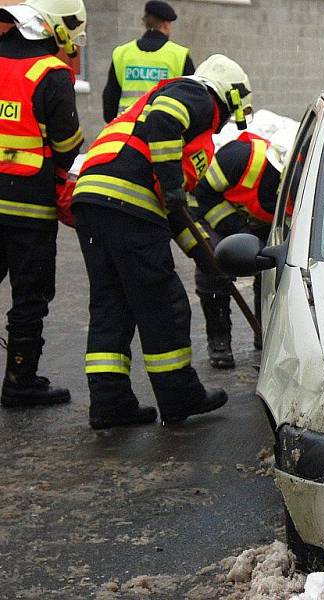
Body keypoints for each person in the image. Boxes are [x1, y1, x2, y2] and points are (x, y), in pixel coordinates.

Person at [71, 54, 253, 429]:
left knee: (112, 304)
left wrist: (207, 257)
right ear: (228, 96)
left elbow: (176, 212)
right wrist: (171, 184)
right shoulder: (197, 94)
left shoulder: (176, 131)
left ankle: (110, 404)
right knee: (163, 303)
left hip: (93, 201)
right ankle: (179, 396)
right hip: (128, 204)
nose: (221, 129)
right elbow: (165, 118)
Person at [0, 0, 86, 408]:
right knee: (30, 295)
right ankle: (20, 380)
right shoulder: (50, 72)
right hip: (28, 207)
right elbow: (67, 146)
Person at [192, 131, 283, 368]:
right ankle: (219, 340)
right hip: (212, 213)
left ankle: (264, 335)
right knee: (213, 267)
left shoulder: (296, 182)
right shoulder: (239, 158)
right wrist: (238, 230)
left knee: (268, 268)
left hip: (256, 225)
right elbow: (203, 196)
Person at [102, 0, 193, 122]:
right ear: (166, 25)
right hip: (163, 131)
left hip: (128, 130)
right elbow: (191, 98)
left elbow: (110, 97)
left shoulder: (122, 53)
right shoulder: (179, 55)